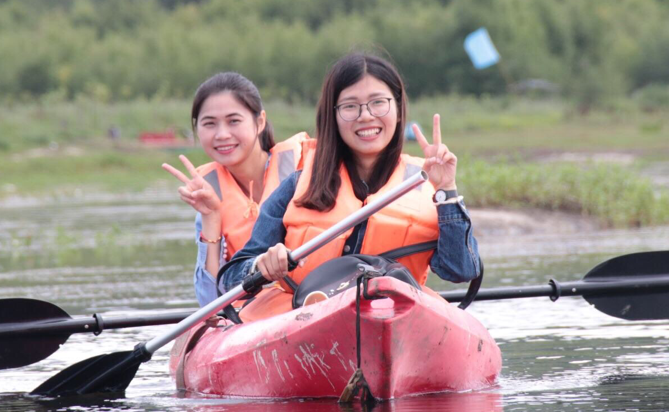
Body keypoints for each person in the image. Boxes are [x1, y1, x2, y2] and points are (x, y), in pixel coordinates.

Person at [218, 52, 480, 316]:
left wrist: (447, 189)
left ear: (399, 110)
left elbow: (460, 270)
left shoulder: (427, 185)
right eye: (350, 106)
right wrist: (260, 266)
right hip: (305, 319)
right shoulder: (297, 185)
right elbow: (230, 279)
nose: (365, 116)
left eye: (378, 103)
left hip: (392, 318)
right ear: (333, 116)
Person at [163, 72, 309, 306]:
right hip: (253, 315)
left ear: (260, 122)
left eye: (234, 121)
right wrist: (210, 217)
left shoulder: (304, 169)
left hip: (311, 299)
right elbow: (210, 304)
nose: (222, 135)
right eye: (209, 123)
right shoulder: (210, 192)